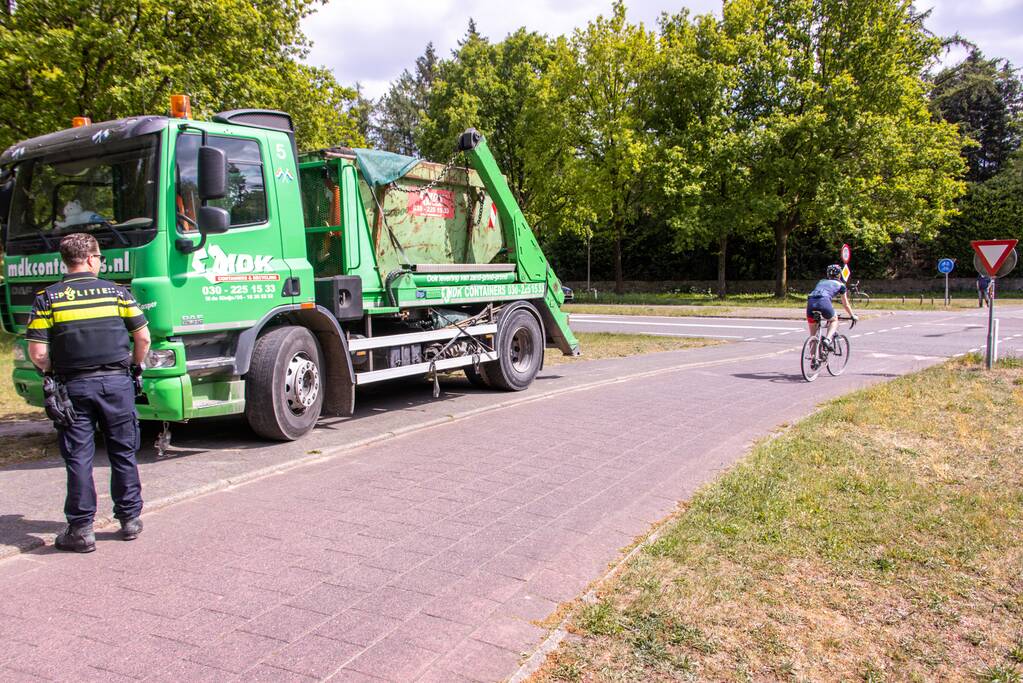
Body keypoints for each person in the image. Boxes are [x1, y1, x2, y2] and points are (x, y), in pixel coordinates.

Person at [26, 233, 151, 553]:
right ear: (93, 259)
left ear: (65, 261)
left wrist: (55, 370)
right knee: (122, 452)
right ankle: (129, 520)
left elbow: (38, 353)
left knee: (79, 457)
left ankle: (81, 530)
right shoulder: (117, 293)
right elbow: (144, 338)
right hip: (117, 384)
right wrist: (135, 367)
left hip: (73, 388)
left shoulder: (48, 297)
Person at [806, 264, 857, 350]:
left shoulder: (821, 281)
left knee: (813, 336)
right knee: (834, 319)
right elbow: (846, 304)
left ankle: (813, 361)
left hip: (811, 302)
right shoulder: (841, 285)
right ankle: (828, 339)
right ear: (839, 274)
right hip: (824, 301)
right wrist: (852, 315)